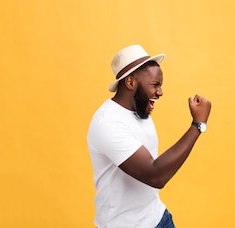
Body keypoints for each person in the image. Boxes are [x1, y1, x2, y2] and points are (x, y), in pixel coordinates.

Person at [87, 44, 212, 228]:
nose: (160, 92)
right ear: (130, 82)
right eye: (155, 85)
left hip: (158, 218)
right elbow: (155, 176)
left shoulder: (139, 109)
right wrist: (197, 125)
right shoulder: (107, 123)